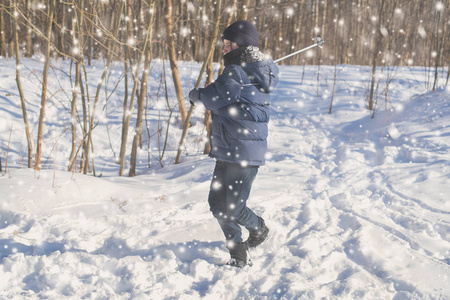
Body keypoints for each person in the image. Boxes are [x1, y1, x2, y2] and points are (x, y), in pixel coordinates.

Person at [189, 20, 279, 267]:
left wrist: (196, 94)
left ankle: (259, 228)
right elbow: (225, 97)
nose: (224, 49)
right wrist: (216, 91)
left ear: (242, 45)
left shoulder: (237, 72)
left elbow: (211, 98)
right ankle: (238, 253)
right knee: (218, 205)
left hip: (243, 150)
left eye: (229, 45)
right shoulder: (250, 72)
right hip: (229, 149)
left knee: (233, 208)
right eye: (224, 44)